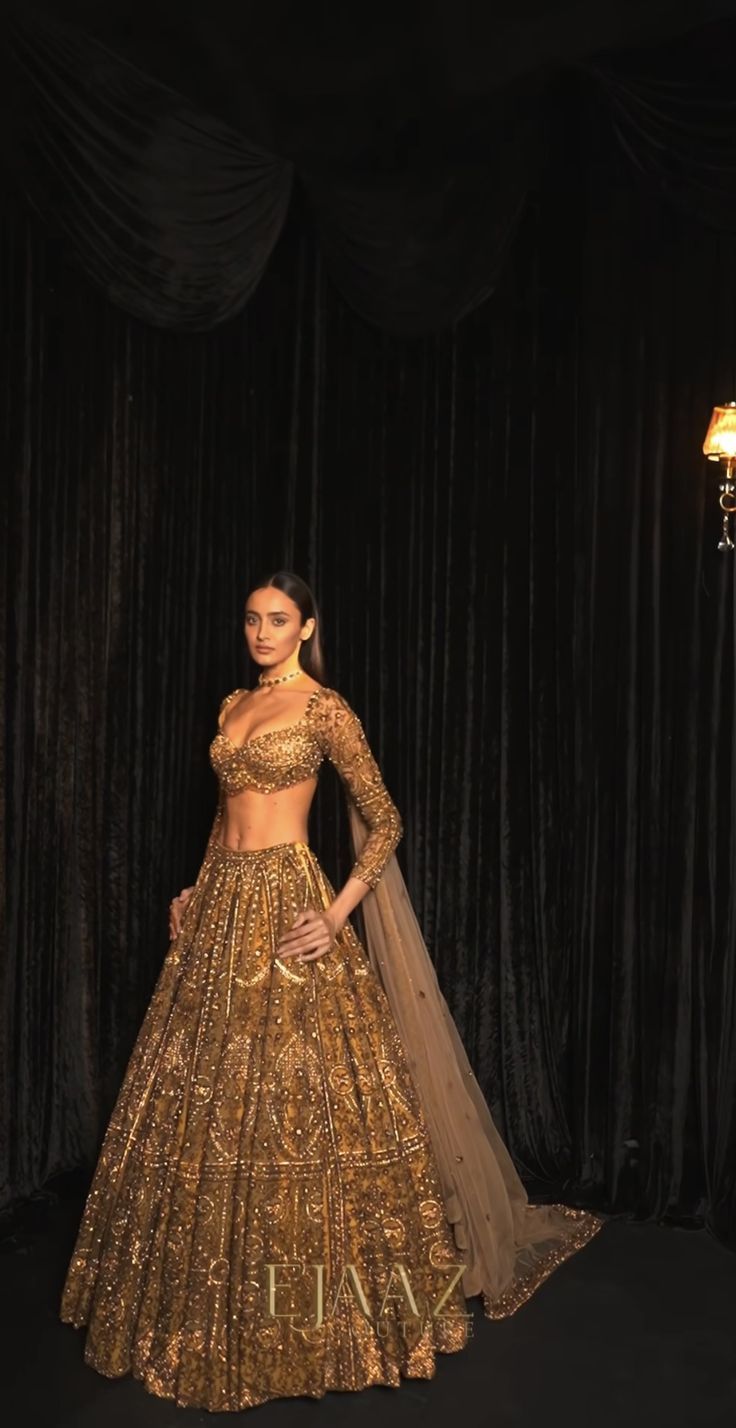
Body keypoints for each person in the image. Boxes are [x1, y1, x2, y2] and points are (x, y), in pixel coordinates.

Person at [59, 570, 604, 1412]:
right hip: (223, 905)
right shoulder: (232, 706)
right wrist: (197, 888)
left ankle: (320, 1315)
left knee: (301, 1097)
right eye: (251, 618)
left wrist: (338, 913)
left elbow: (383, 817)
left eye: (278, 619)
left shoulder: (323, 708)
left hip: (289, 905)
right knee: (203, 1097)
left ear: (307, 627)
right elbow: (225, 813)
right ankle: (205, 1303)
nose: (261, 631)